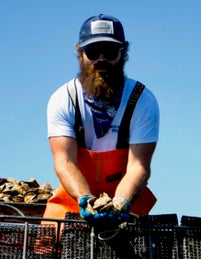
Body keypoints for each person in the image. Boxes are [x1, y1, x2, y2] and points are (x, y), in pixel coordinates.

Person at [43, 14, 159, 225]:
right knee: (46, 248)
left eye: (110, 51)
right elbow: (64, 161)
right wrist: (85, 200)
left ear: (123, 53)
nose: (101, 58)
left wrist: (121, 202)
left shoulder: (142, 101)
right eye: (93, 51)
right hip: (73, 201)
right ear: (80, 54)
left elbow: (139, 165)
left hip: (126, 205)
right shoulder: (63, 99)